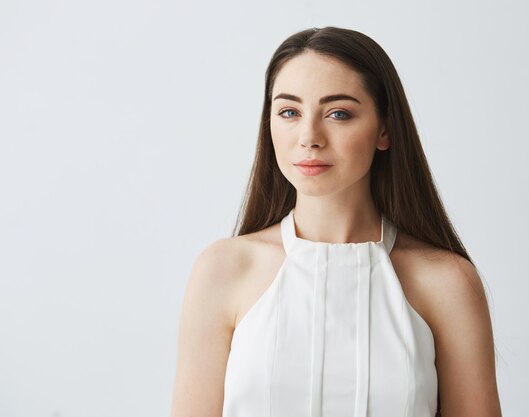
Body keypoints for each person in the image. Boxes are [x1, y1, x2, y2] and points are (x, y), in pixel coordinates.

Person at [170, 26, 502, 417]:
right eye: (289, 112)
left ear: (385, 129)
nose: (309, 137)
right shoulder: (223, 270)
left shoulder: (448, 282)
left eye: (338, 113)